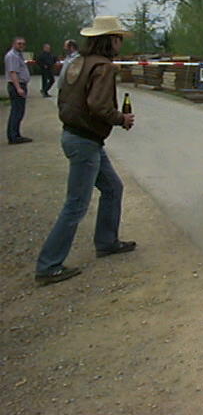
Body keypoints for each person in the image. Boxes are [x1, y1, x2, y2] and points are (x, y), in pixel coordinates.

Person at [35, 16, 137, 286]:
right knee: (76, 204)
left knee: (113, 187)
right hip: (85, 141)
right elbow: (99, 106)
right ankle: (48, 265)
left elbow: (65, 97)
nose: (120, 44)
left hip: (77, 136)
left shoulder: (77, 62)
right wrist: (121, 119)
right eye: (118, 39)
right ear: (109, 40)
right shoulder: (103, 67)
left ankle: (107, 242)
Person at [5, 36, 32, 144]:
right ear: (14, 44)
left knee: (18, 111)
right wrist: (18, 88)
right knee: (17, 112)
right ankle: (14, 136)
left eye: (23, 44)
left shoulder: (18, 55)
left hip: (20, 85)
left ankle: (15, 134)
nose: (21, 46)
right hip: (17, 85)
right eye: (19, 43)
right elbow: (13, 72)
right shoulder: (12, 56)